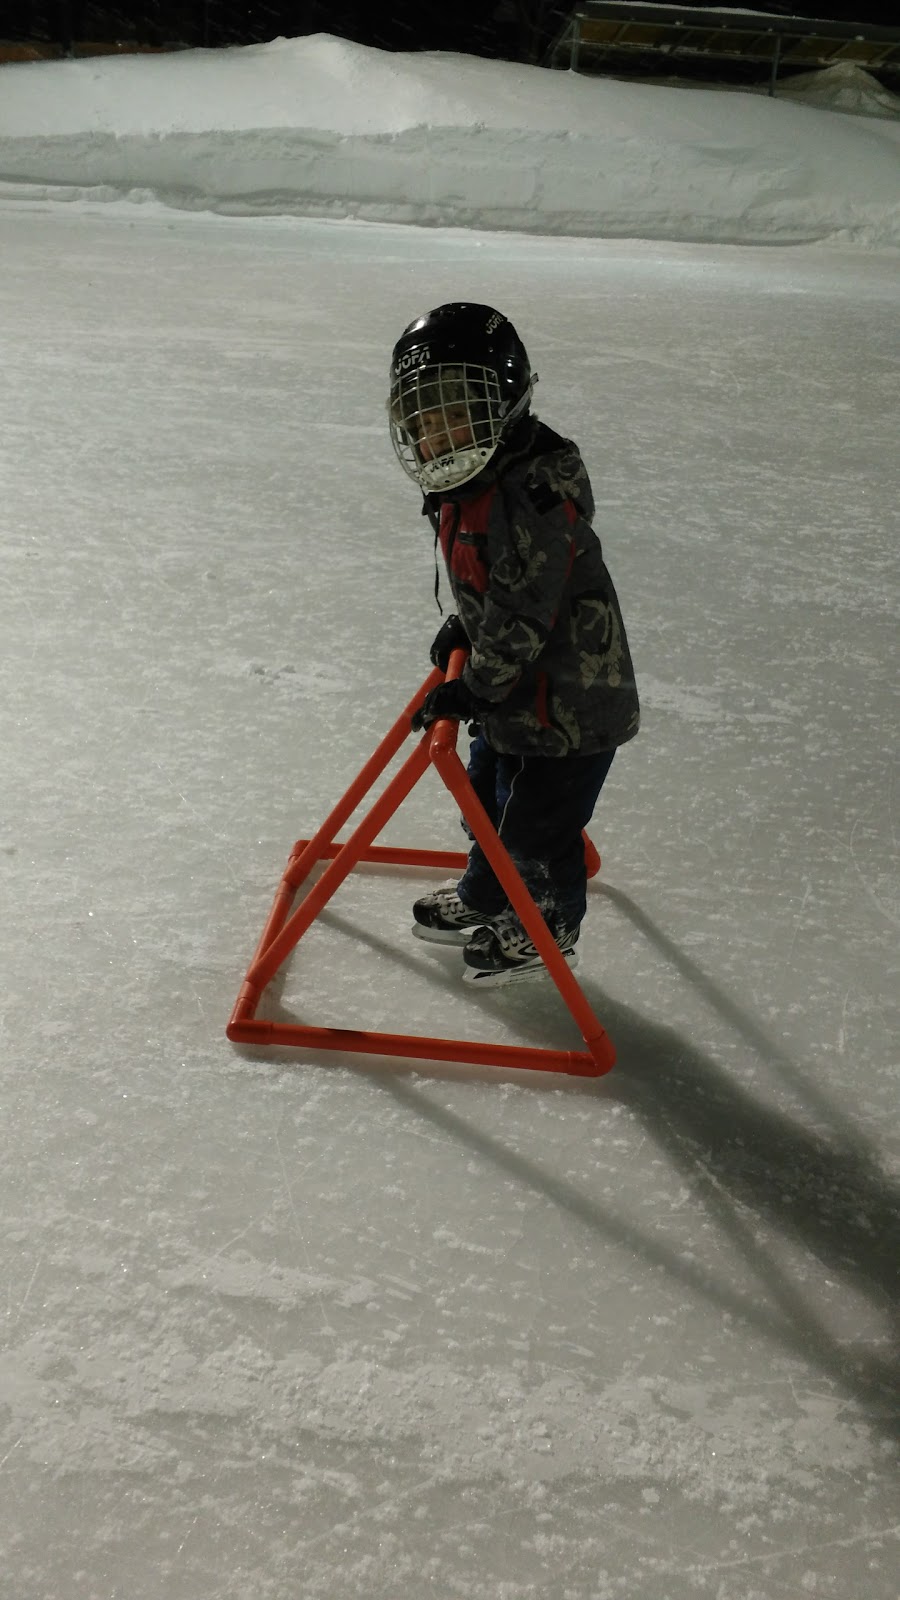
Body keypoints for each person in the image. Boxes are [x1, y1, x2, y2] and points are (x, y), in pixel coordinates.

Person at [387, 302, 639, 986]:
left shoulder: (529, 497)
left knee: (536, 828)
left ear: (503, 404)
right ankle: (487, 894)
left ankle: (545, 926)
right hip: (515, 696)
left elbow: (526, 611)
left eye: (453, 412)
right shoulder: (469, 484)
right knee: (487, 797)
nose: (435, 434)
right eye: (423, 417)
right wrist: (463, 628)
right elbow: (489, 590)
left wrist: (473, 684)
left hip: (569, 706)